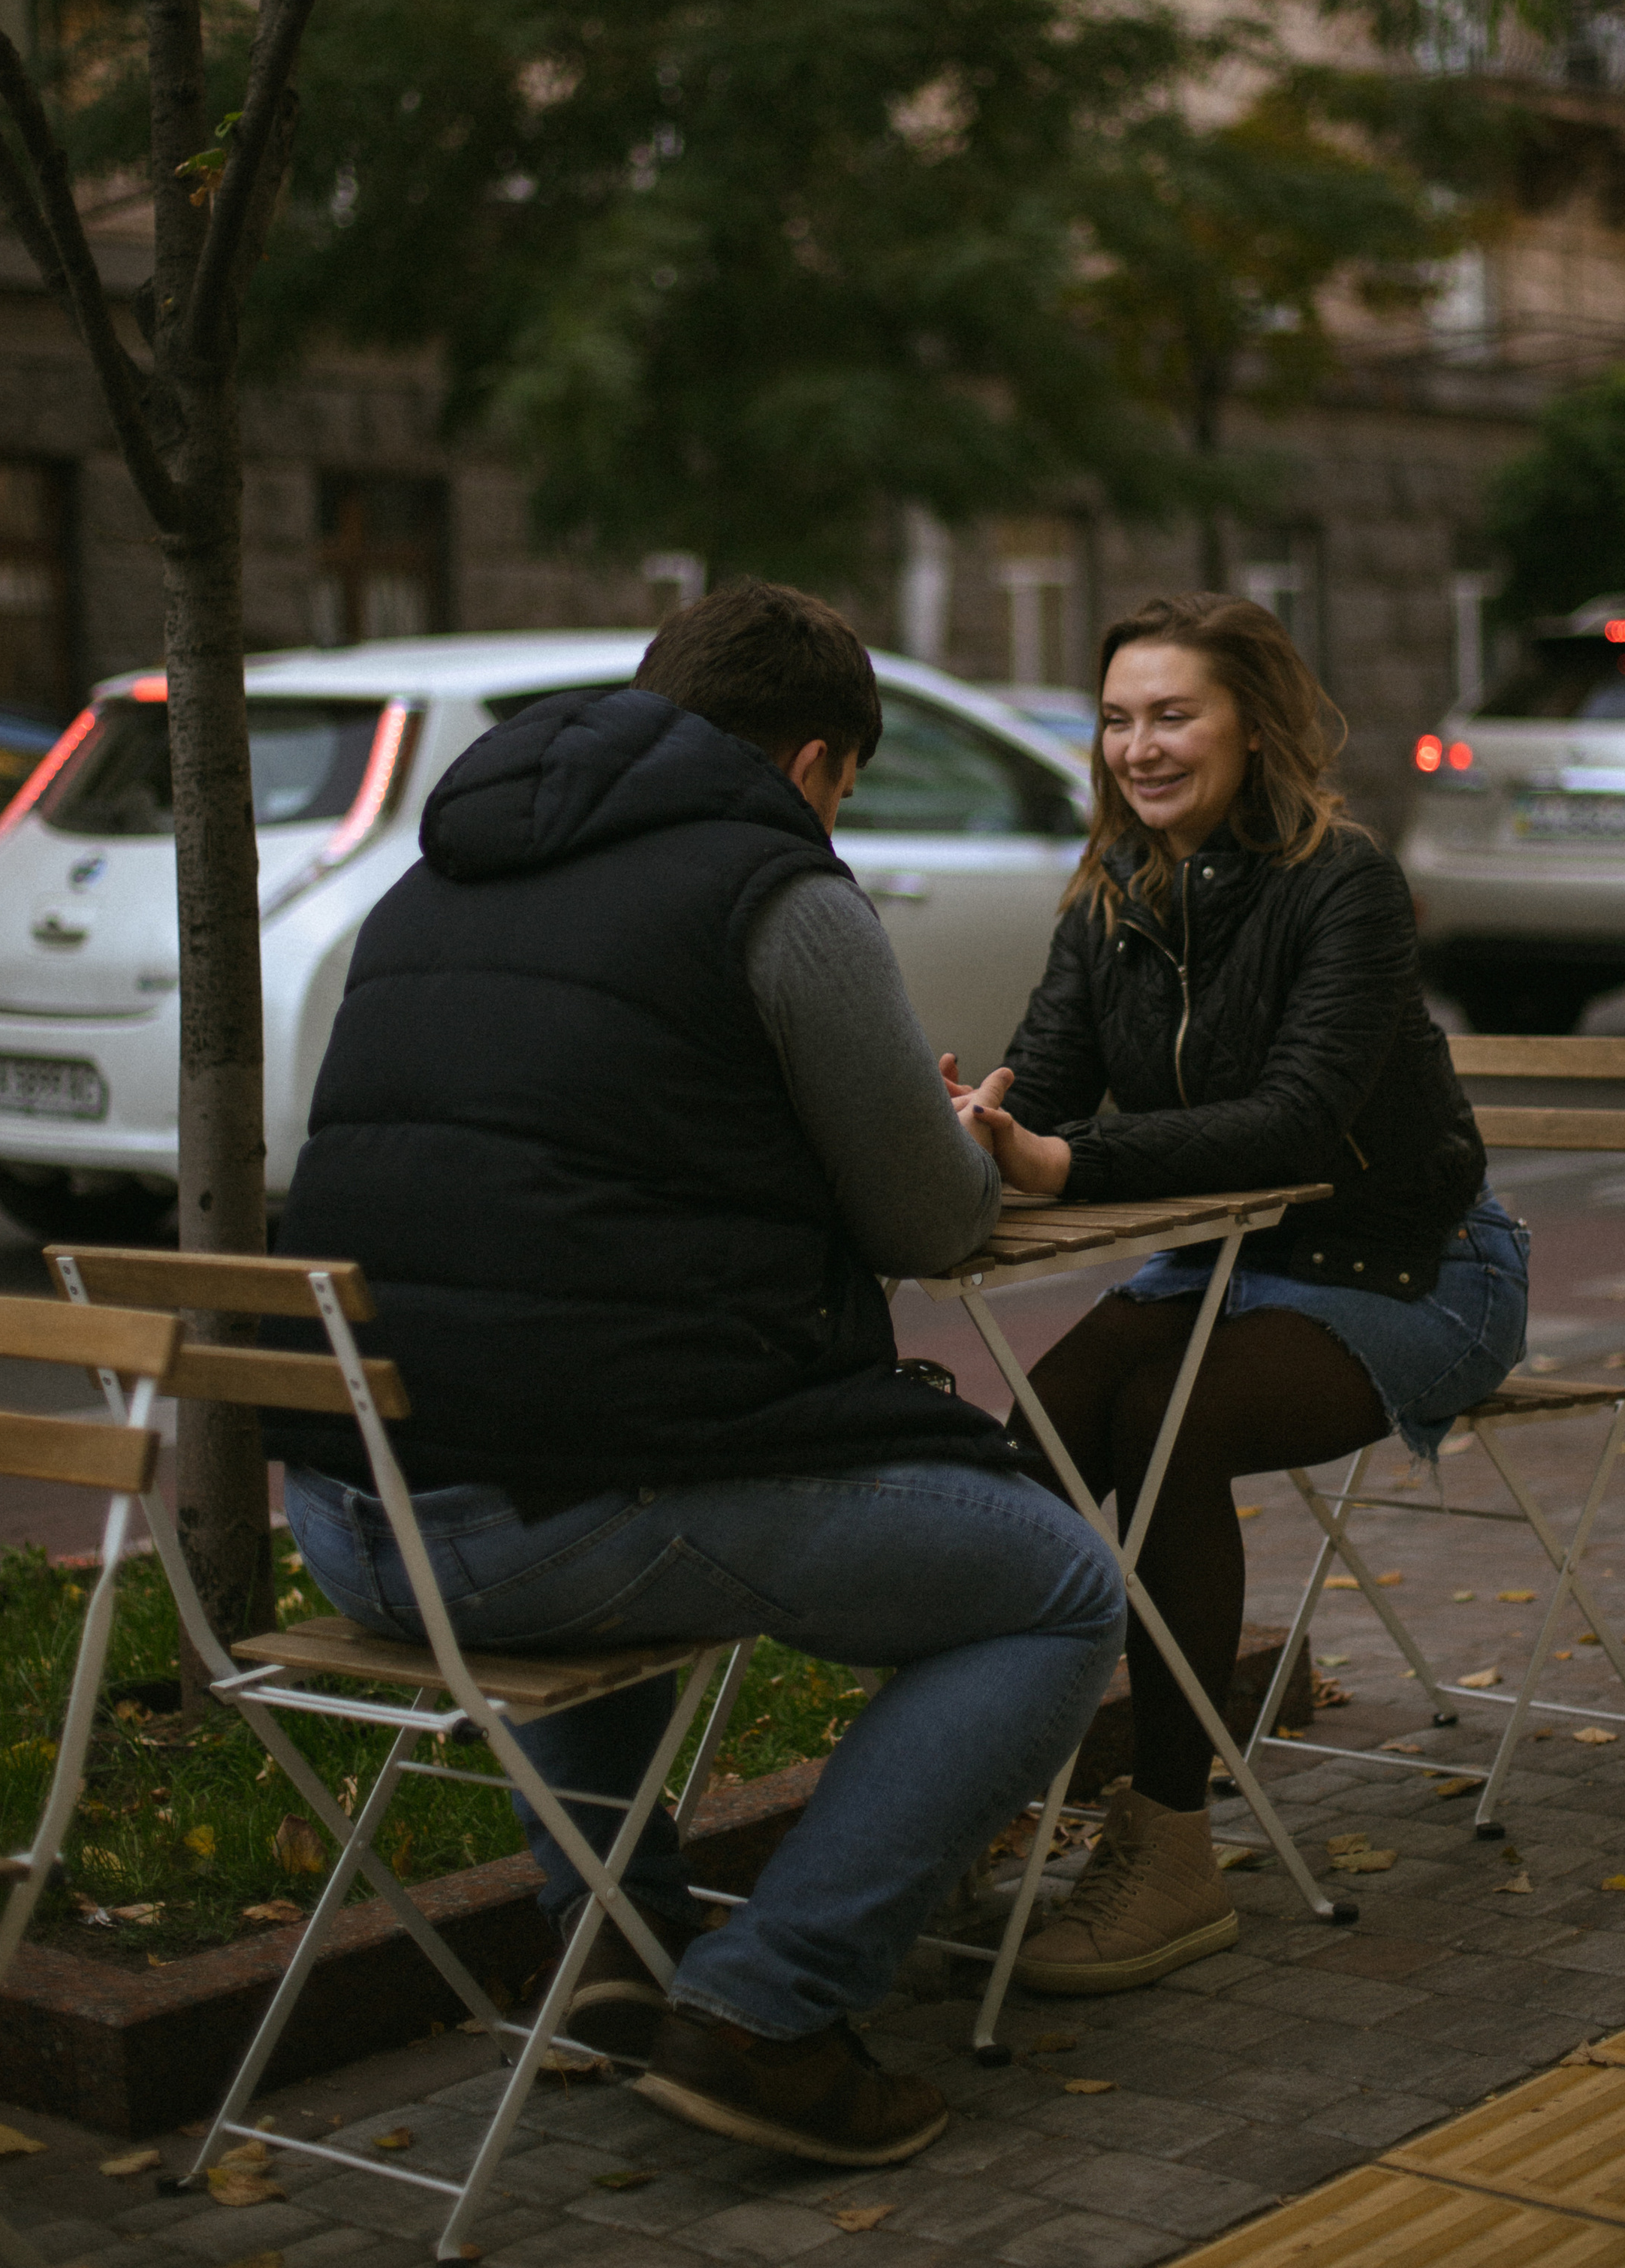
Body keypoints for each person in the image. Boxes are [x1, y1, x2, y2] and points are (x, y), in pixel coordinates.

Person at [266, 582, 1125, 2166]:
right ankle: (768, 2009)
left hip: (346, 1504)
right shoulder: (775, 893)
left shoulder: (430, 881)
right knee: (1059, 1589)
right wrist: (935, 1135)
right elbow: (931, 1224)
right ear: (813, 766)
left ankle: (613, 1946)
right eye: (849, 794)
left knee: (612, 1455)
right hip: (545, 1522)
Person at [948, 591, 1525, 1994]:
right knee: (1034, 1439)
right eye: (1117, 717)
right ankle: (963, 1803)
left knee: (1165, 1425)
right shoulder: (1110, 897)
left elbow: (1297, 1122)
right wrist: (975, 1126)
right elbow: (1051, 1089)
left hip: (1417, 1268)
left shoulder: (1346, 881)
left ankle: (1171, 1844)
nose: (1138, 747)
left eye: (1173, 714)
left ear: (1252, 725)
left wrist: (1063, 1160)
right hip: (1226, 1261)